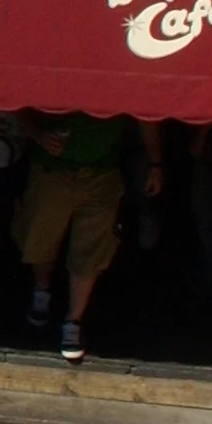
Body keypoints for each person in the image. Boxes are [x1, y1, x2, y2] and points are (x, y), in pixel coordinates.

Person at [16, 111, 158, 364]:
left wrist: (156, 163)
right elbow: (14, 102)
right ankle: (42, 290)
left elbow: (146, 112)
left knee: (91, 246)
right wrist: (38, 135)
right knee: (41, 235)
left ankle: (74, 321)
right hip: (51, 168)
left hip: (102, 171)